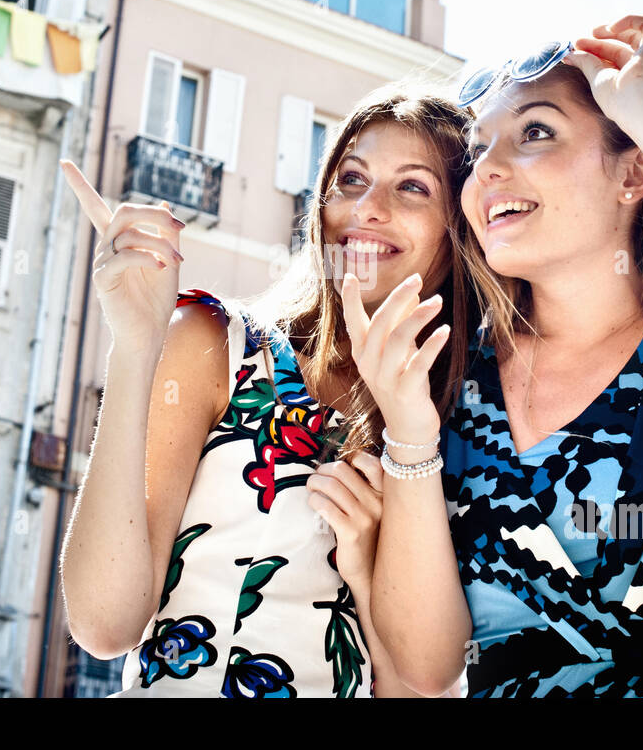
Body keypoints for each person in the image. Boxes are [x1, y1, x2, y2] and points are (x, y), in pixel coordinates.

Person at [346, 16, 643, 697]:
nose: (491, 169)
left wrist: (641, 96)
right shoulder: (449, 386)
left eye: (536, 132)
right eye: (479, 151)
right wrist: (411, 438)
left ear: (634, 173)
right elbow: (429, 669)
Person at [58, 81, 482, 697]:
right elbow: (104, 623)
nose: (366, 208)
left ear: (460, 230)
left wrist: (365, 576)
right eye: (352, 179)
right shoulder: (214, 344)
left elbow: (426, 684)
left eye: (412, 187)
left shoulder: (469, 427)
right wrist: (134, 347)